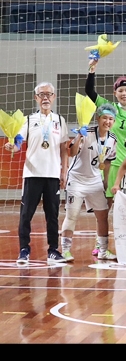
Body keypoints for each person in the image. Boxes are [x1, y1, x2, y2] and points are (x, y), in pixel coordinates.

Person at [5, 82, 69, 265]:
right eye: (42, 94)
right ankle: (24, 250)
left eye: (49, 94)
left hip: (53, 175)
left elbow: (64, 148)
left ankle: (53, 251)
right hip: (32, 174)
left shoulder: (60, 120)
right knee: (26, 214)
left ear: (54, 97)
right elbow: (18, 142)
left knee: (53, 215)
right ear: (36, 98)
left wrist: (64, 171)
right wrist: (13, 147)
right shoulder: (28, 119)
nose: (45, 98)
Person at [62, 104, 118, 261]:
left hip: (95, 181)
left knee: (102, 215)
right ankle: (65, 250)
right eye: (105, 118)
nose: (107, 121)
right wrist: (79, 135)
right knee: (72, 215)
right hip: (77, 179)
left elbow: (107, 163)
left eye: (111, 119)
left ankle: (103, 250)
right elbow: (71, 152)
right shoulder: (87, 133)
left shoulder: (112, 140)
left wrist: (105, 180)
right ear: (98, 118)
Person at [85, 60, 126, 203]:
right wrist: (92, 69)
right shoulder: (109, 108)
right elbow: (89, 92)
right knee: (107, 204)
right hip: (111, 163)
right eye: (120, 90)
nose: (124, 93)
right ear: (115, 93)